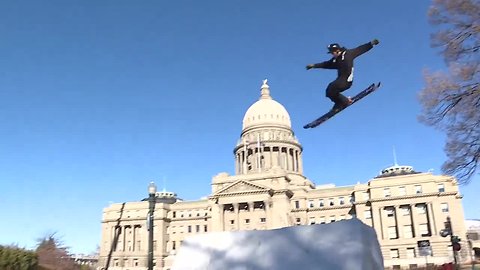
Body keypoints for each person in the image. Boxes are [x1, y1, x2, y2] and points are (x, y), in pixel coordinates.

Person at [306, 39, 380, 112]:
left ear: (337, 50)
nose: (332, 55)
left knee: (332, 86)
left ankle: (345, 101)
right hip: (340, 80)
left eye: (332, 53)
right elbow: (326, 64)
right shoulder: (335, 60)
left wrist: (371, 43)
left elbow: (360, 49)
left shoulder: (349, 54)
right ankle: (339, 103)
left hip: (347, 81)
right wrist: (314, 66)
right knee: (329, 91)